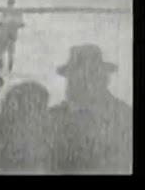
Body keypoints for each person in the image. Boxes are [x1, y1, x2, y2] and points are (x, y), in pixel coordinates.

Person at [50, 45, 132, 173]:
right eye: (72, 76)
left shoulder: (124, 116)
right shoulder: (52, 117)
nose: (74, 82)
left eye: (88, 75)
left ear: (103, 79)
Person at [0, 0, 25, 71]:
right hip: (12, 35)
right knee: (10, 52)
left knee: (1, 51)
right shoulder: (17, 12)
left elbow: (0, 23)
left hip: (3, 34)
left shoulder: (5, 11)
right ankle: (9, 66)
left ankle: (1, 65)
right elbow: (21, 24)